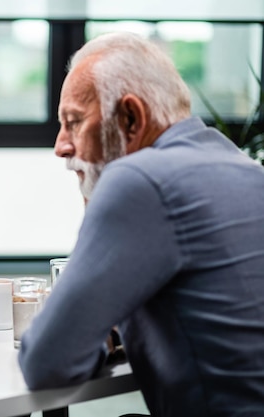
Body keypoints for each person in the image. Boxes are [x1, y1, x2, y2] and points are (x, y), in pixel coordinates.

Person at [18, 31, 264, 416]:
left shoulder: (141, 180)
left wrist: (96, 330)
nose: (61, 145)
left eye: (74, 122)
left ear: (131, 118)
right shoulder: (243, 166)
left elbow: (47, 365)